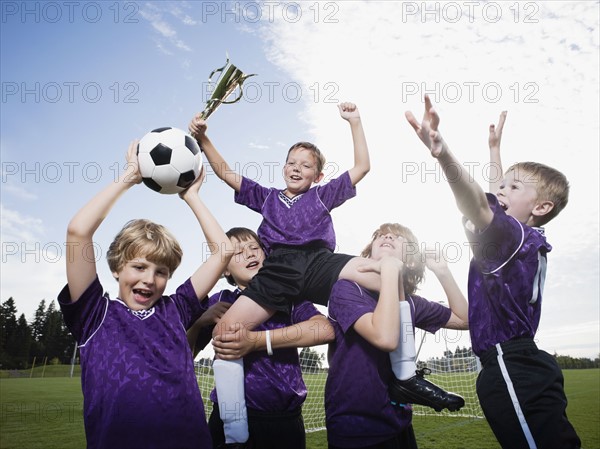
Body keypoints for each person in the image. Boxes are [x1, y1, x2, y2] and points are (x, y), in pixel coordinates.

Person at [189, 104, 461, 446]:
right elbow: (227, 172)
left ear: (317, 175)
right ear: (283, 167)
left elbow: (363, 166)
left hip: (318, 263)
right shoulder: (266, 198)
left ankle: (404, 375)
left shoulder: (321, 196)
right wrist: (204, 139)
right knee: (227, 331)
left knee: (389, 276)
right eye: (292, 163)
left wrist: (355, 121)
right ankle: (233, 424)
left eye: (306, 165)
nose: (297, 168)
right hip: (278, 272)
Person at [405, 95, 581, 449]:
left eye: (514, 187)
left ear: (542, 206)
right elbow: (498, 197)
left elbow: (478, 201)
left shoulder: (511, 236)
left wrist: (442, 154)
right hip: (522, 363)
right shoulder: (527, 239)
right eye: (502, 186)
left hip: (509, 366)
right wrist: (495, 151)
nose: (501, 190)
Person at [58, 142, 233, 449]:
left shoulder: (176, 310)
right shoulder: (93, 315)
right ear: (116, 268)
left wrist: (191, 197)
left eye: (161, 271)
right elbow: (78, 232)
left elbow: (224, 251)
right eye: (138, 267)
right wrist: (131, 174)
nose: (149, 280)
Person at [187, 227, 334, 449]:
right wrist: (198, 324)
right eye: (237, 252)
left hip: (282, 422)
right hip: (227, 416)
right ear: (224, 268)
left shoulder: (289, 296)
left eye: (254, 247)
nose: (250, 254)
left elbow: (324, 329)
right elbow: (184, 358)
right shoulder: (220, 302)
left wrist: (257, 341)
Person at [325, 223, 469, 449]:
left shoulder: (412, 302)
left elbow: (464, 319)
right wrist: (390, 271)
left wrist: (443, 272)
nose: (387, 236)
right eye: (380, 235)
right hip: (355, 427)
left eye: (397, 237)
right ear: (368, 255)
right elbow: (385, 338)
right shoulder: (348, 289)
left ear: (410, 261)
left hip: (399, 421)